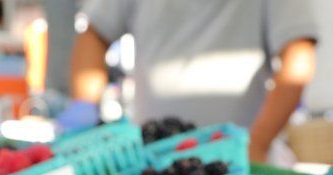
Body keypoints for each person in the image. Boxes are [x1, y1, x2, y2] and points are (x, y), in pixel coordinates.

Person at [70, 0, 318, 163]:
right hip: (154, 157)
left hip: (236, 160)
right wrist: (84, 106)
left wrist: (257, 145)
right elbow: (94, 34)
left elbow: (298, 58)